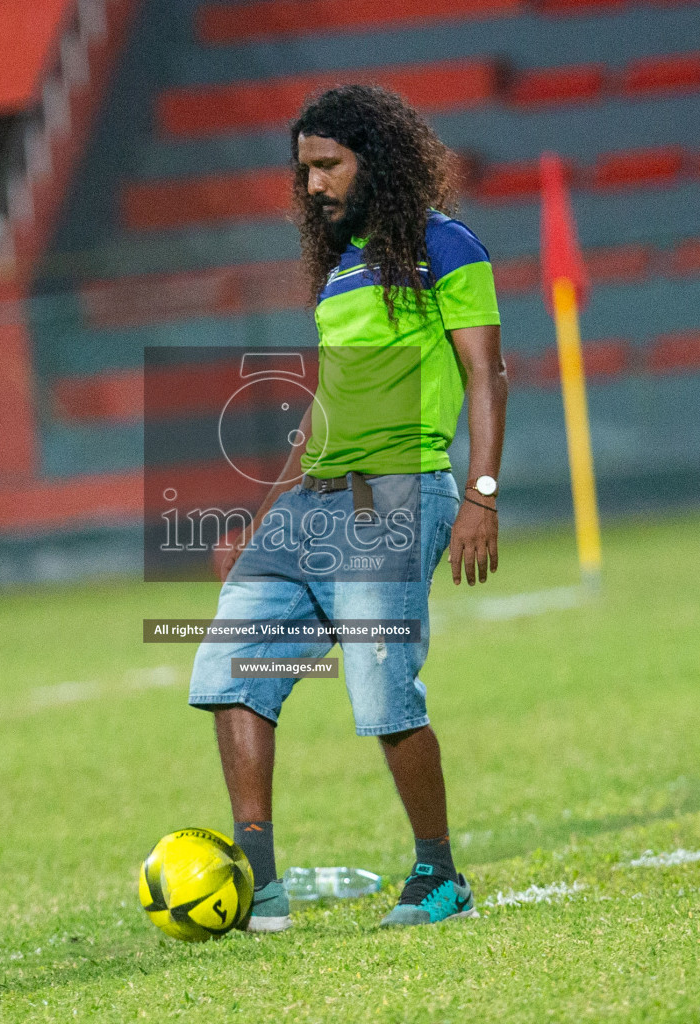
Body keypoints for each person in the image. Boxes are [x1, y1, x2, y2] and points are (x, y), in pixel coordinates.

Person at [186, 85, 508, 931]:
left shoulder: (448, 246)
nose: (314, 185)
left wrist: (480, 495)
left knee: (379, 693)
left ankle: (439, 876)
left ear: (378, 160)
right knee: (227, 669)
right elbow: (325, 406)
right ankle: (257, 882)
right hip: (310, 504)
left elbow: (486, 375)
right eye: (304, 171)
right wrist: (261, 520)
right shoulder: (339, 270)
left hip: (399, 498)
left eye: (328, 165)